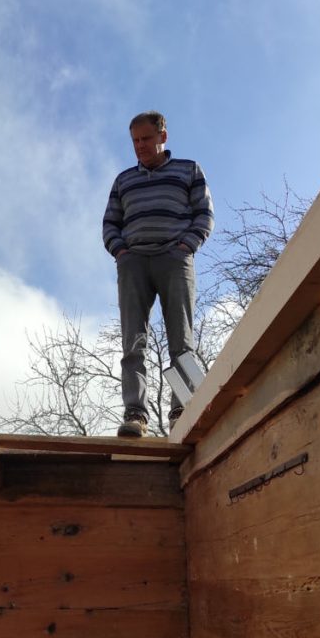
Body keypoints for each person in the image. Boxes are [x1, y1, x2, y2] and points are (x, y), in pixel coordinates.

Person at [102, 111, 214, 437]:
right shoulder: (123, 180)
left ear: (163, 136)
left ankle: (182, 410)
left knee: (182, 340)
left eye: (146, 139)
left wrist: (186, 246)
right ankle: (136, 414)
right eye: (135, 141)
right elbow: (110, 223)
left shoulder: (188, 170)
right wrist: (121, 252)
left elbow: (204, 214)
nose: (140, 146)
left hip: (174, 259)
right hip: (134, 261)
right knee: (133, 343)